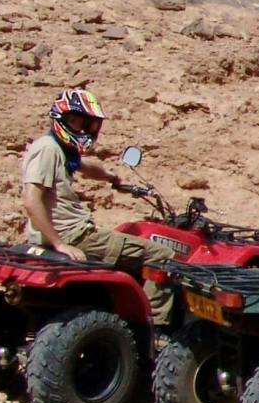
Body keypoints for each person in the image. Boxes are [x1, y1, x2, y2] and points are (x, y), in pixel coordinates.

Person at [20, 87, 176, 322]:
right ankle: (153, 326)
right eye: (78, 122)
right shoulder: (47, 149)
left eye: (89, 124)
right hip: (75, 236)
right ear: (63, 119)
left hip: (64, 234)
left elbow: (85, 166)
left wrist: (111, 177)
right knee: (163, 255)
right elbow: (31, 200)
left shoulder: (60, 149)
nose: (84, 130)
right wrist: (60, 244)